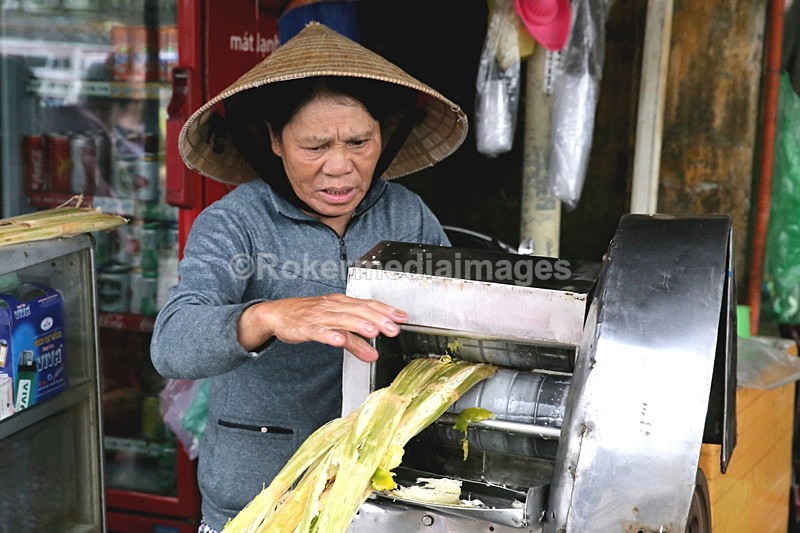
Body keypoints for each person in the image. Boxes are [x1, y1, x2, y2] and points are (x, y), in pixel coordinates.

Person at [150, 22, 468, 533]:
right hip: (257, 500)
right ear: (275, 140)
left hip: (378, 495)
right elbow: (172, 344)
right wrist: (268, 316)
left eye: (360, 141)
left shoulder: (407, 216)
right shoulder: (236, 223)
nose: (340, 167)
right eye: (315, 146)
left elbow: (453, 327)